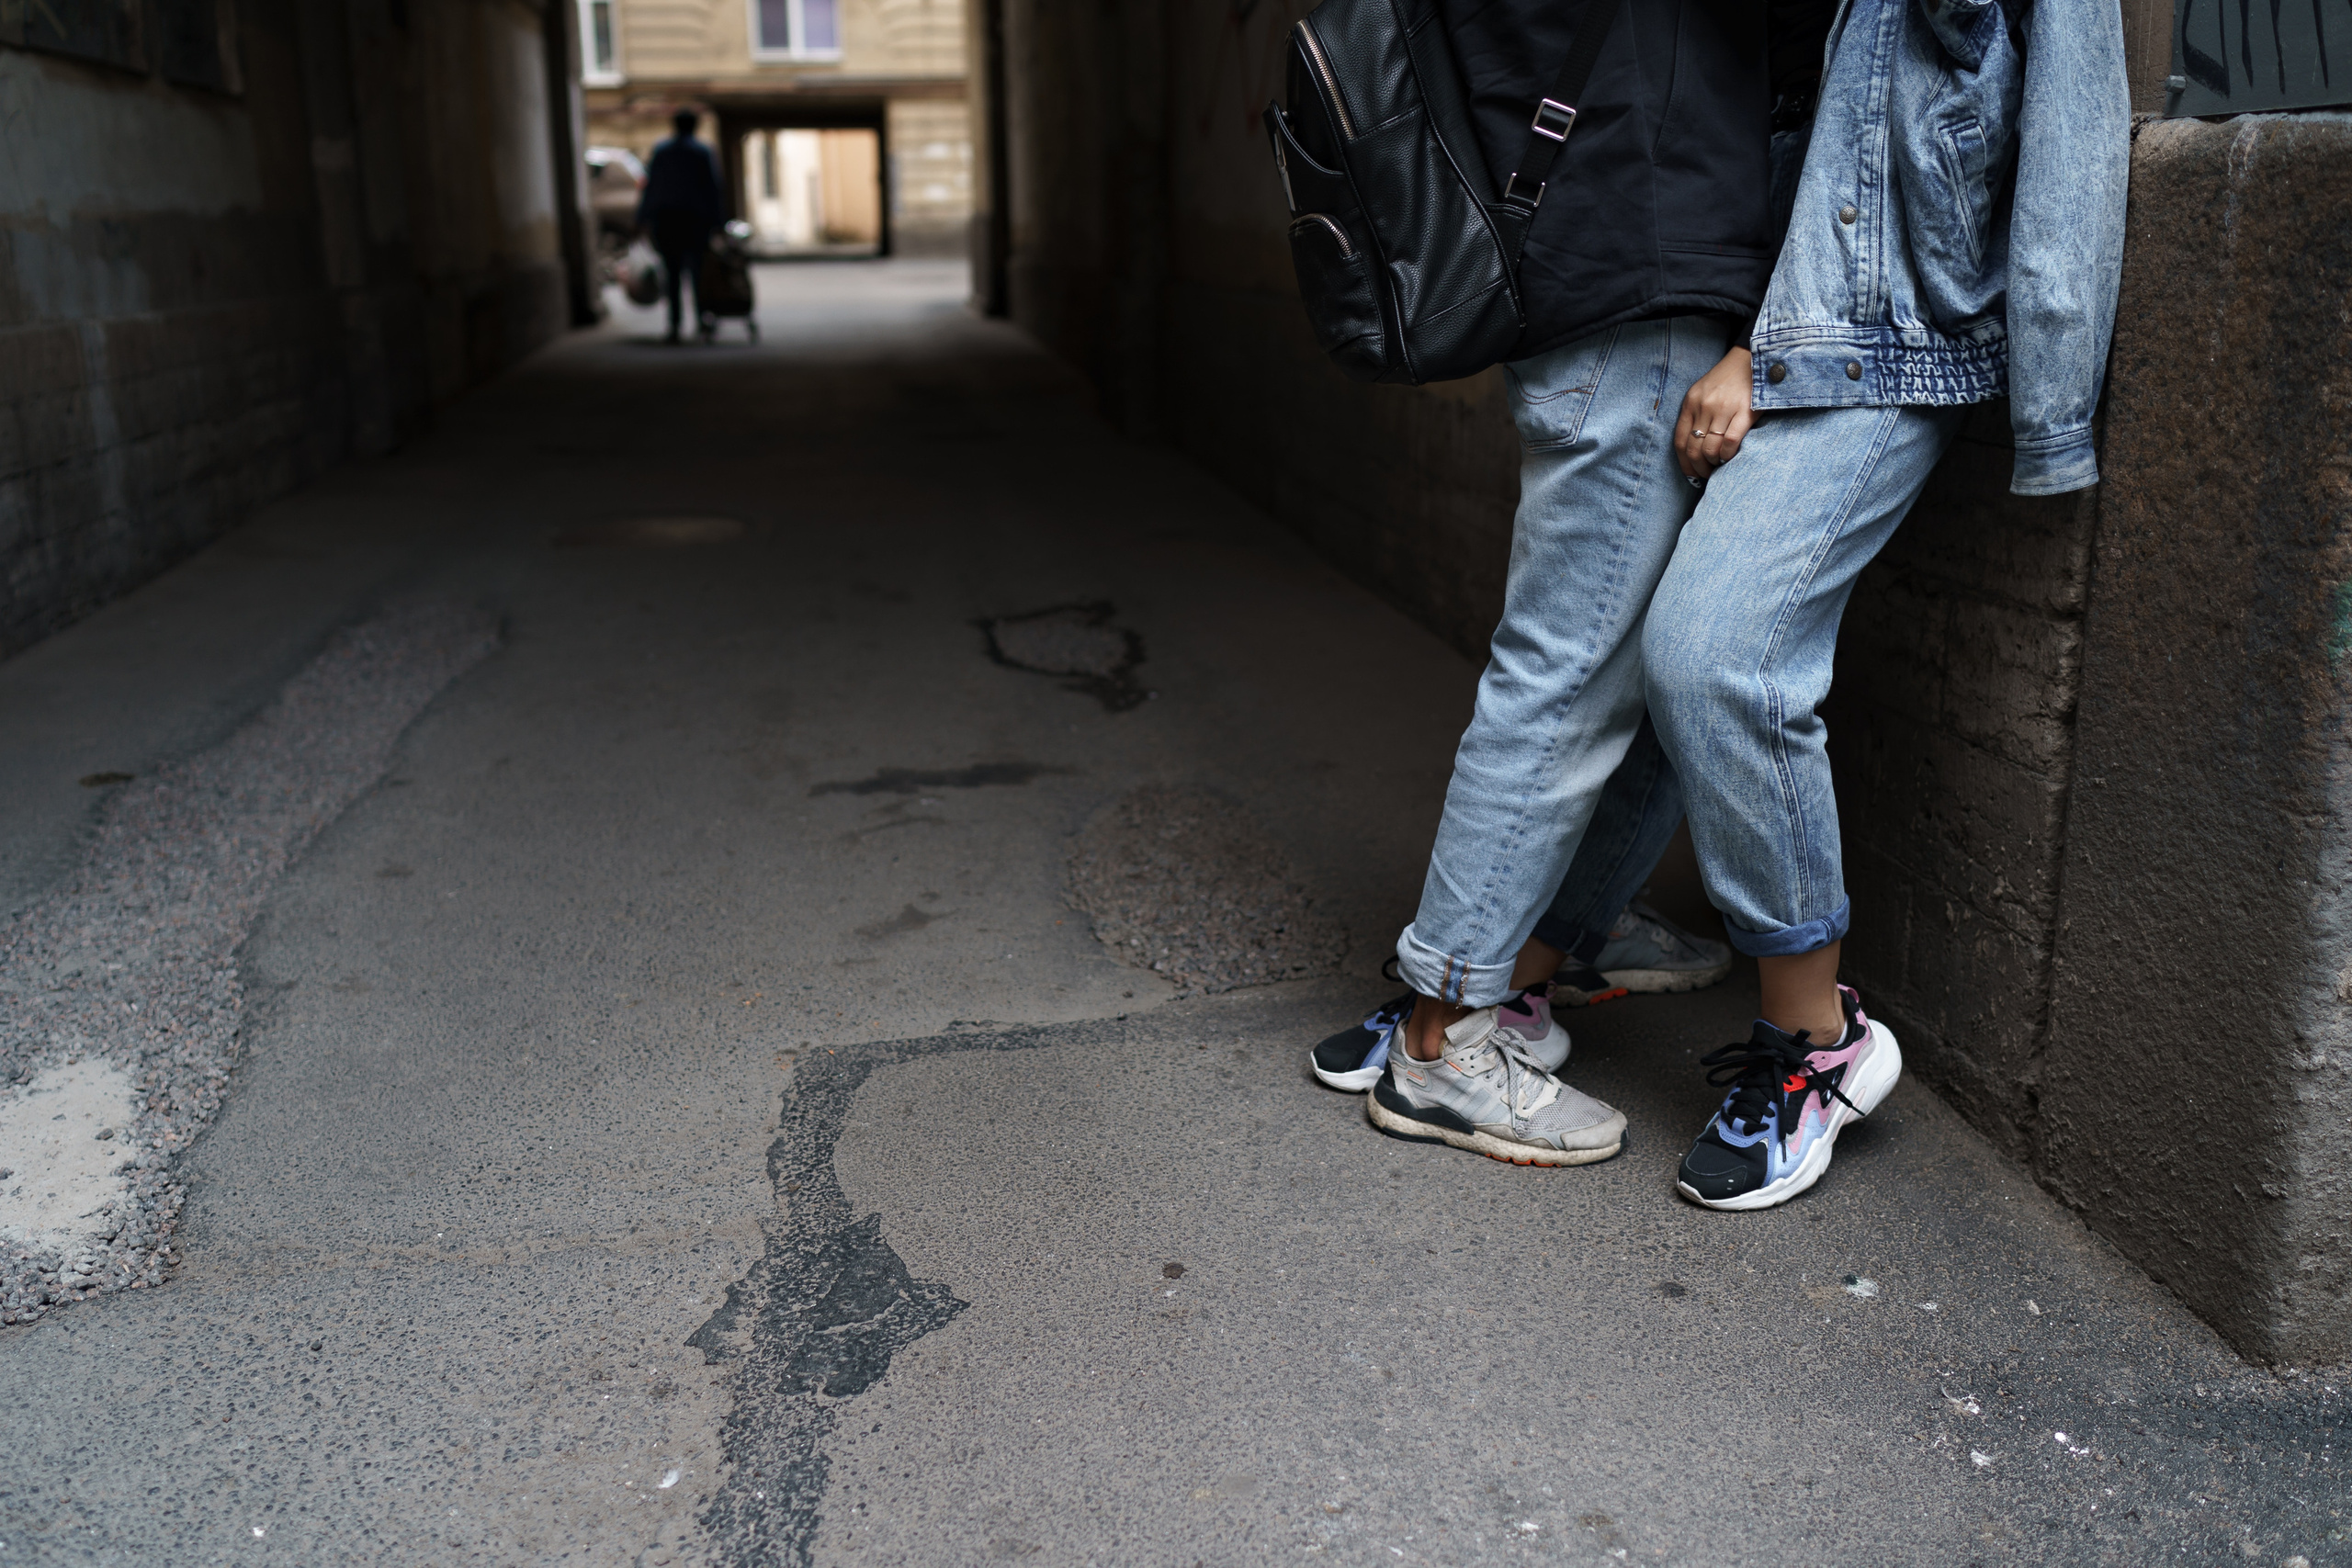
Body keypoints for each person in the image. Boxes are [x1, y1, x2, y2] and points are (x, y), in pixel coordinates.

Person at [1643, 0, 2130, 1209]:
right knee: (1648, 660)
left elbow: (2075, 129)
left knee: (1718, 657)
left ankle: (1818, 1042)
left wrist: (2053, 409)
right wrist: (1752, 341)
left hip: (1884, 335)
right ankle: (1552, 952)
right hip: (1780, 319)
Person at [1314, 2, 1795, 1167]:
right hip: (1639, 302)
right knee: (1567, 679)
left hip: (1604, 292)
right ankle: (1442, 1042)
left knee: (1636, 673)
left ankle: (1560, 928)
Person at [636, 108, 725, 344]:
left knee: (672, 275)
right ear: (695, 126)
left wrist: (643, 219)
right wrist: (718, 223)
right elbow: (713, 188)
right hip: (696, 222)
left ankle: (674, 326)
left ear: (674, 126)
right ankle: (702, 323)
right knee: (698, 274)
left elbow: (651, 187)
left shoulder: (662, 152)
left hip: (667, 221)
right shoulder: (703, 152)